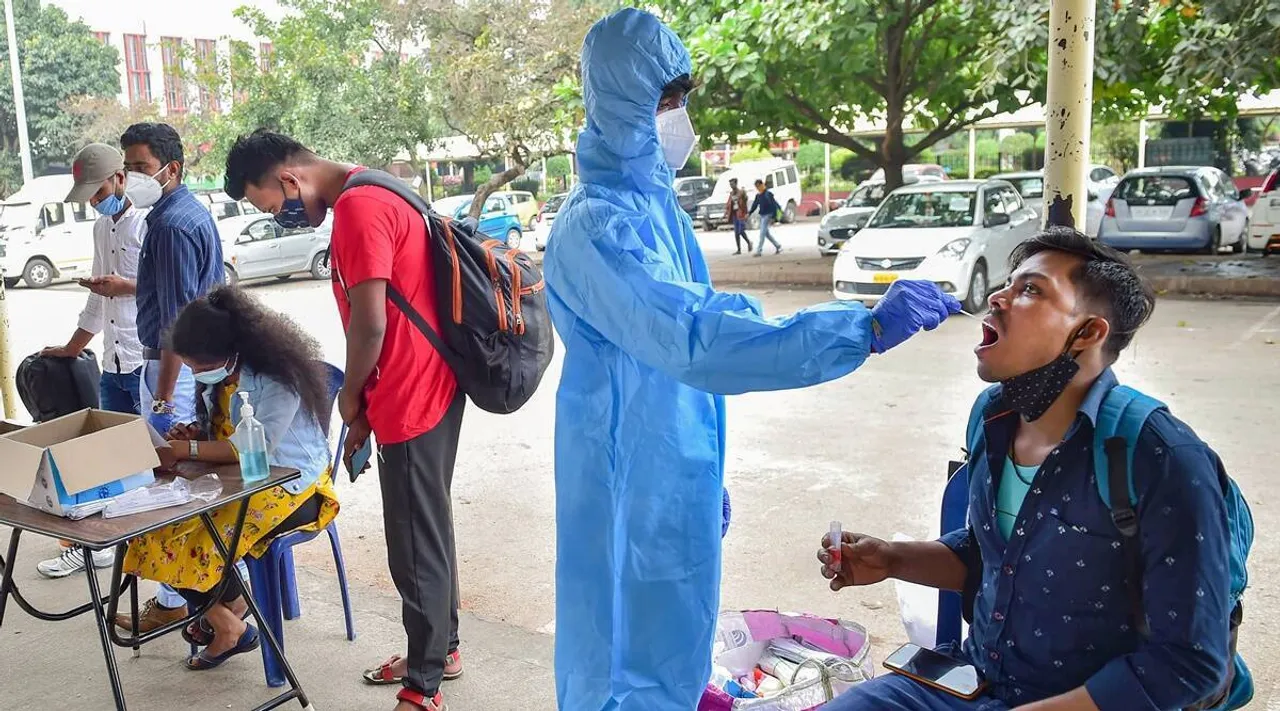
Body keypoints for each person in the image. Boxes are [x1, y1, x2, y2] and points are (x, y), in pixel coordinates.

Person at [541, 9, 960, 711]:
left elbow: (672, 377)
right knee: (616, 655)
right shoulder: (597, 227)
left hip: (664, 474)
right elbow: (698, 340)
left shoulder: (658, 212)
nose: (679, 119)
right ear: (619, 103)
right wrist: (859, 330)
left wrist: (693, 472)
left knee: (671, 638)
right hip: (621, 485)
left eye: (681, 100)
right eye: (664, 102)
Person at [819, 228, 1235, 710]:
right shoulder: (992, 417)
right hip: (975, 681)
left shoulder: (1161, 456)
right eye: (1009, 284)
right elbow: (998, 559)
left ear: (1088, 334)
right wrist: (892, 559)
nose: (998, 297)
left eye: (1031, 290)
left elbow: (1191, 662)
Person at [223, 130, 463, 711]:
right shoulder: (377, 184)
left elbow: (370, 323)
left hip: (410, 393)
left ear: (288, 179)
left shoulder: (357, 208)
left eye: (273, 206)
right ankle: (441, 649)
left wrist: (351, 398)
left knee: (414, 543)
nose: (281, 217)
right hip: (430, 382)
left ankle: (422, 686)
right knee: (429, 527)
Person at [122, 286, 339, 670]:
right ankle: (229, 613)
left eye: (199, 366)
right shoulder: (220, 374)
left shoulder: (278, 379)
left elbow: (250, 449)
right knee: (153, 531)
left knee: (195, 537)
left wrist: (185, 452)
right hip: (237, 484)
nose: (194, 374)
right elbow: (221, 435)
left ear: (230, 350)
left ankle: (227, 624)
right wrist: (194, 435)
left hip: (294, 488)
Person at [85, 123, 226, 633]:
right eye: (130, 166)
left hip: (177, 370)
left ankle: (180, 602)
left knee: (173, 484)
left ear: (173, 169)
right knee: (182, 481)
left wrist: (164, 398)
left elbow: (177, 322)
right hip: (186, 365)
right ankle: (205, 603)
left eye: (142, 167)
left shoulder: (168, 225)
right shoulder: (183, 214)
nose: (133, 176)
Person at [35, 143, 146, 579]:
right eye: (90, 198)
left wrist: (126, 287)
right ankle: (95, 544)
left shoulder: (149, 223)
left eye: (99, 193)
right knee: (104, 462)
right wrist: (70, 347)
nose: (96, 203)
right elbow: (97, 301)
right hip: (113, 362)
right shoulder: (102, 230)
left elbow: (168, 289)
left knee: (151, 463)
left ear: (120, 177)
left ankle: (147, 550)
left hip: (146, 360)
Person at [748, 178, 783, 256]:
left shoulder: (768, 194)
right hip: (762, 215)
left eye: (759, 186)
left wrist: (774, 217)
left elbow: (773, 205)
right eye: (756, 187)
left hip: (768, 215)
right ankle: (778, 246)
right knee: (766, 233)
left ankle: (759, 251)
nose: (758, 188)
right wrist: (749, 213)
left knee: (762, 233)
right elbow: (754, 205)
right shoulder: (758, 196)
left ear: (762, 185)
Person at [724, 177, 752, 254]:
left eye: (732, 184)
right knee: (736, 233)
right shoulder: (731, 193)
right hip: (735, 214)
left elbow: (745, 200)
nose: (731, 186)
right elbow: (728, 204)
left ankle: (749, 242)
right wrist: (726, 213)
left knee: (741, 231)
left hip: (741, 213)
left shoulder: (741, 192)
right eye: (730, 184)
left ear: (736, 184)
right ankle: (739, 249)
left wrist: (746, 213)